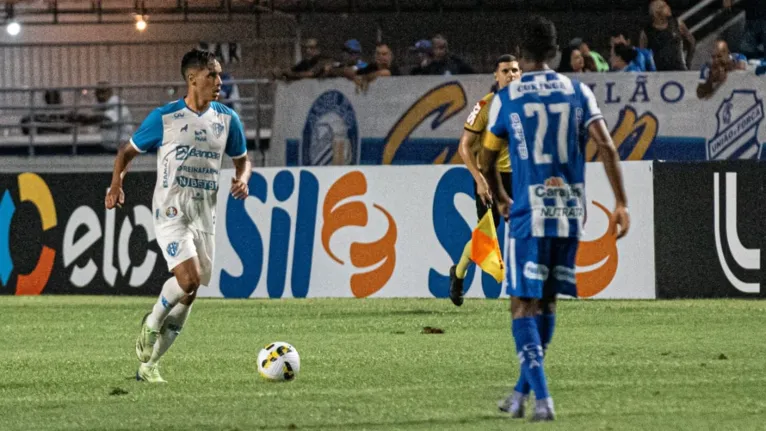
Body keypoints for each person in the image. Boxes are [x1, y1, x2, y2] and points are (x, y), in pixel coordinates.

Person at [480, 16, 630, 421]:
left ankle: (543, 399)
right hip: (568, 211)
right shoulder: (578, 91)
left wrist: (500, 196)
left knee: (520, 304)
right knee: (547, 303)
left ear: (521, 53)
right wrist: (621, 203)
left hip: (530, 211)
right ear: (555, 52)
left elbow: (487, 157)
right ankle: (519, 394)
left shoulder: (507, 97)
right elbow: (608, 147)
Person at [104, 48, 252, 383]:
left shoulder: (227, 119)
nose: (219, 81)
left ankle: (150, 365)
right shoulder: (165, 117)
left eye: (220, 74)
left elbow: (242, 158)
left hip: (205, 214)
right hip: (171, 211)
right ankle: (152, 320)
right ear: (192, 78)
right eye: (212, 75)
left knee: (190, 294)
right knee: (188, 279)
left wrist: (242, 178)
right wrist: (116, 185)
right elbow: (126, 153)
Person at [448, 54, 521, 306]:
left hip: (518, 178)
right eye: (505, 71)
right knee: (484, 241)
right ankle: (458, 274)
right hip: (490, 178)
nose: (511, 75)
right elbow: (464, 147)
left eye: (515, 70)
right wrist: (479, 179)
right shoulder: (485, 106)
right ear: (496, 75)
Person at [640, 0, 695, 71]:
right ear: (657, 13)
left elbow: (692, 41)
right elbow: (642, 56)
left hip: (680, 71)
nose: (668, 7)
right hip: (659, 74)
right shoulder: (646, 32)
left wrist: (688, 62)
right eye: (664, 6)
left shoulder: (677, 23)